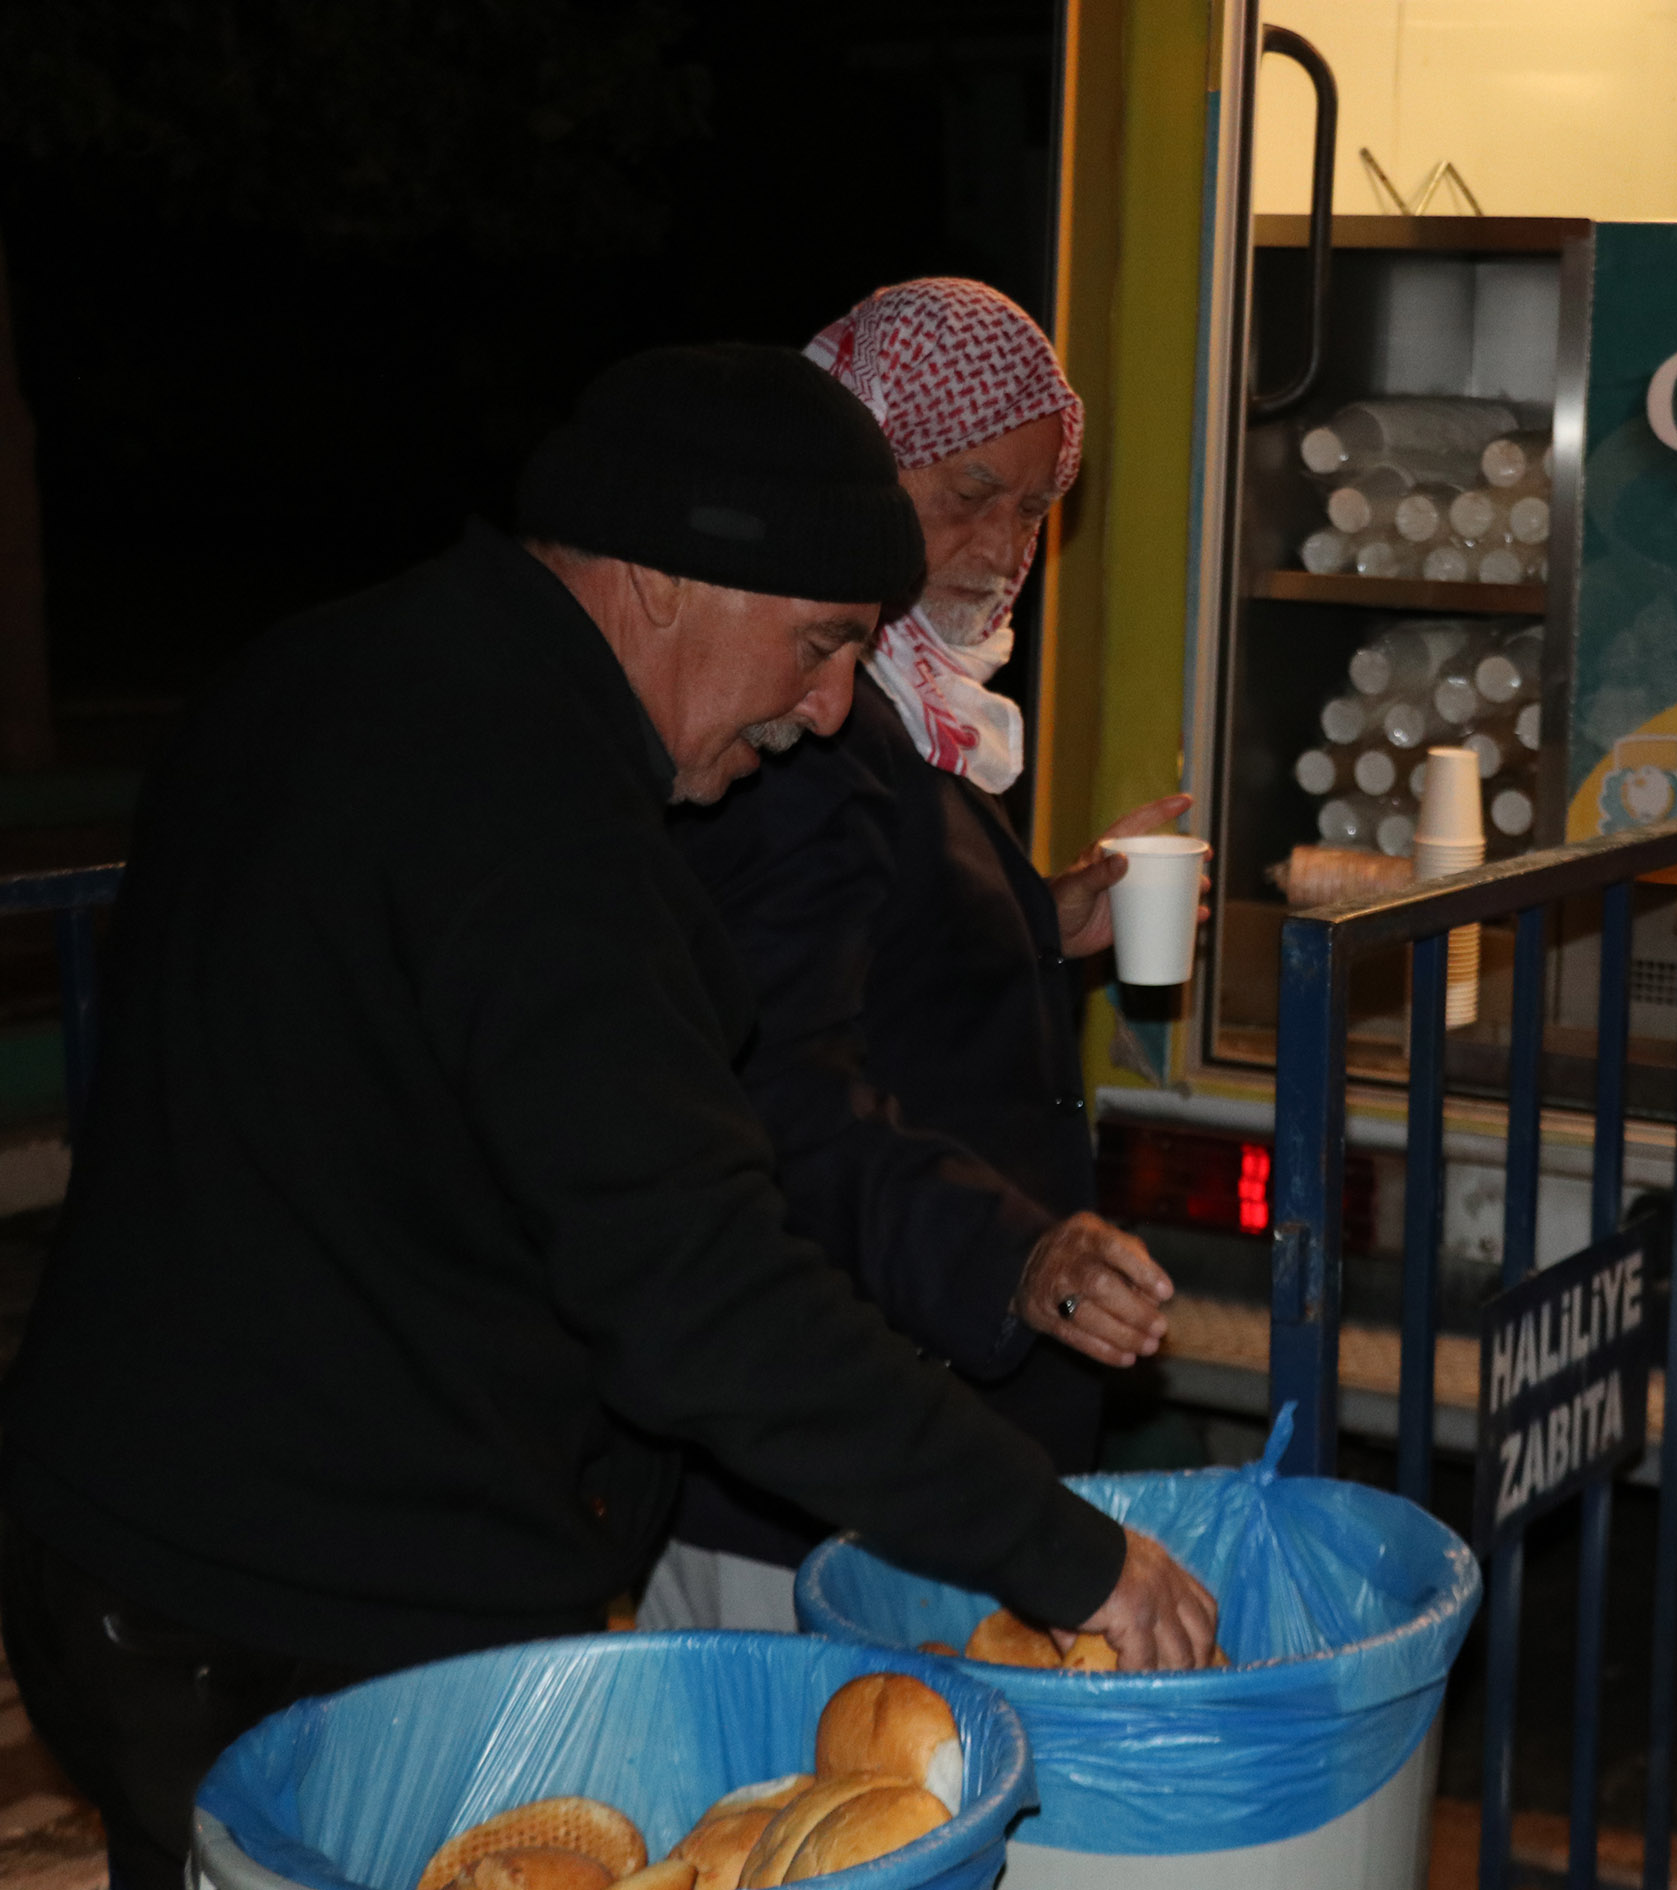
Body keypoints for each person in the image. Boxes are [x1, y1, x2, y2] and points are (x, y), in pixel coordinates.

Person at [0, 344, 1216, 1890]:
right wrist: (1069, 1552)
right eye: (824, 641)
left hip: (110, 1532)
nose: (832, 705)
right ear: (664, 580)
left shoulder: (327, 668)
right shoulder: (538, 828)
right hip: (286, 1606)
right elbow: (703, 1299)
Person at [639, 279, 1193, 1631]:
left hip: (896, 1424)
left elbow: (884, 958)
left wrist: (1051, 916)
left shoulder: (913, 711)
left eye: (1031, 508)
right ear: (860, 459)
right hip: (822, 1454)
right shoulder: (800, 735)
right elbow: (783, 1091)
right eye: (966, 493)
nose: (1004, 545)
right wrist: (1019, 1252)